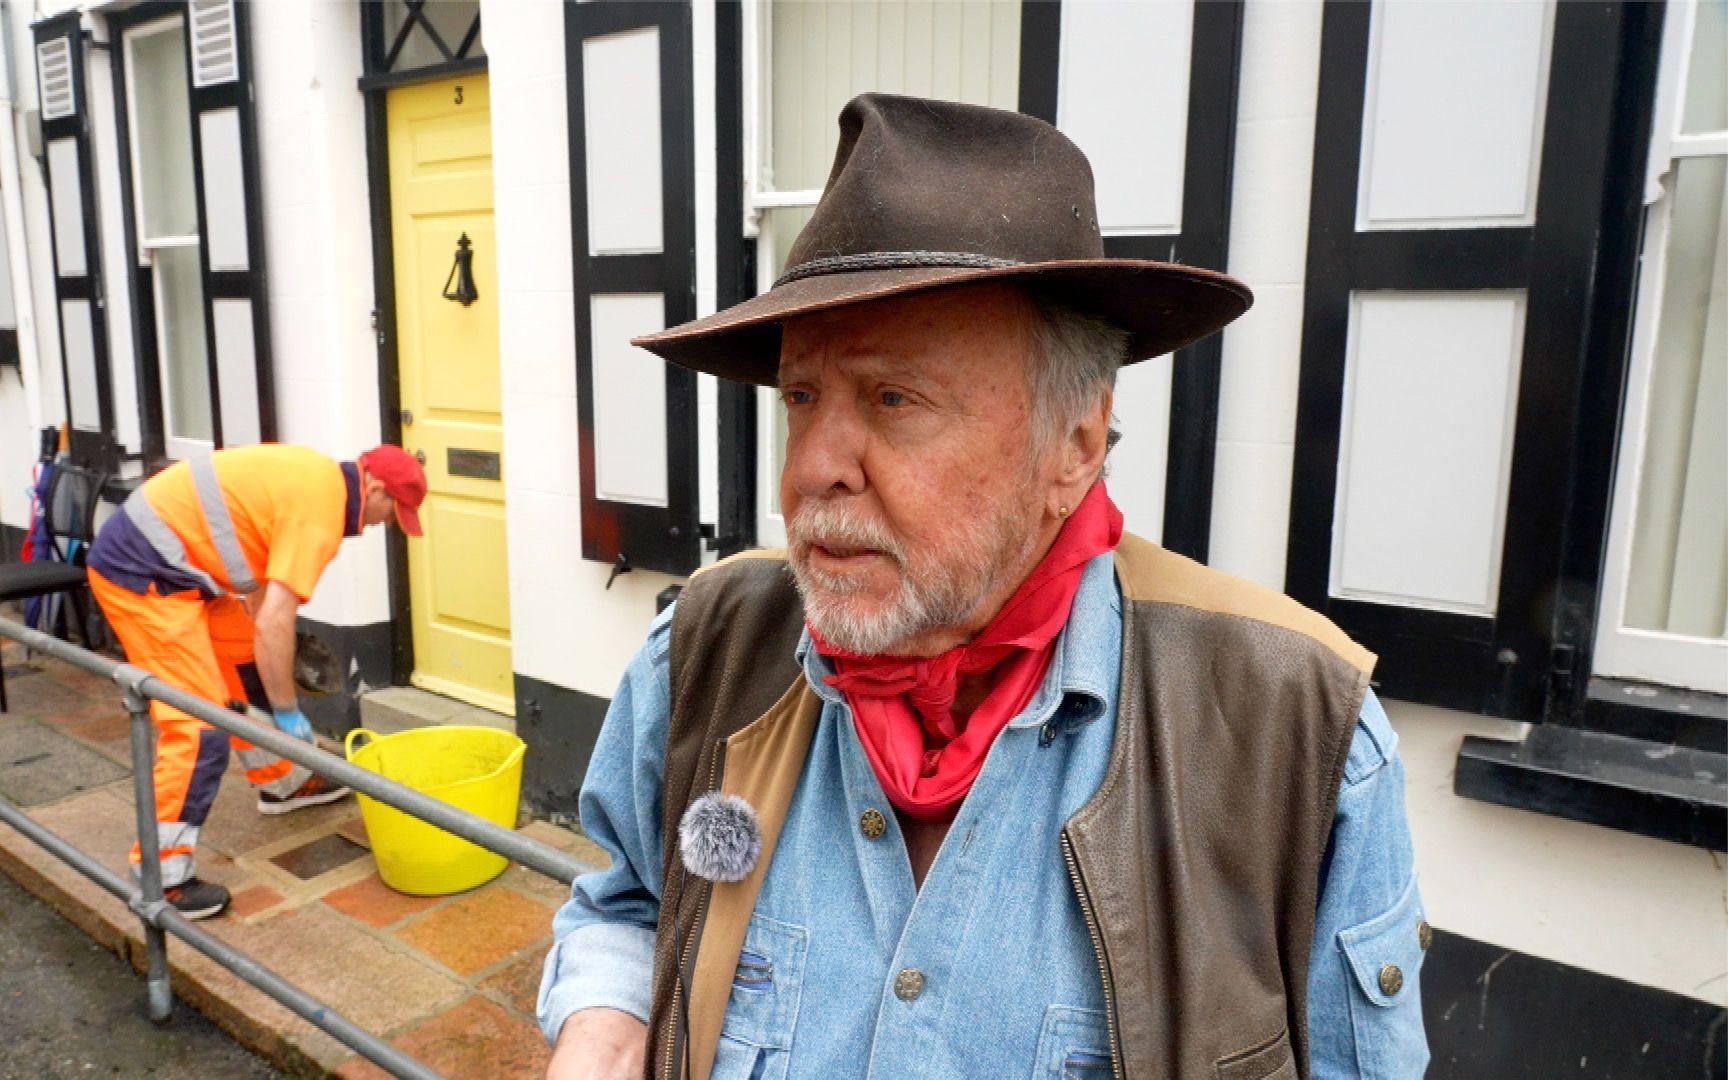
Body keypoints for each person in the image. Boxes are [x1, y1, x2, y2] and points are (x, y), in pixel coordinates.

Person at [538, 94, 1430, 1078]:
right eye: (802, 396)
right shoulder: (704, 654)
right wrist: (604, 1023)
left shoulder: (1297, 740)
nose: (813, 469)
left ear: (1075, 445)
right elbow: (631, 901)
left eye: (893, 396)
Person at [85, 443, 426, 919]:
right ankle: (161, 878)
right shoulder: (320, 515)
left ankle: (281, 781)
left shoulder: (318, 482)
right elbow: (275, 623)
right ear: (373, 487)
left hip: (184, 571)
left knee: (246, 665)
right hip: (142, 575)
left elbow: (259, 590)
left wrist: (263, 665)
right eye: (393, 510)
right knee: (198, 727)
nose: (386, 523)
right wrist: (287, 712)